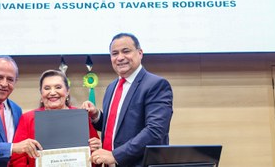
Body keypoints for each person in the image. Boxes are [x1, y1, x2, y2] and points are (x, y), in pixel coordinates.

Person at [82, 33, 174, 166]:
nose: (120, 57)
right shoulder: (111, 87)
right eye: (114, 53)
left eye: (126, 51)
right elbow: (117, 127)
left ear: (140, 53)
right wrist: (97, 115)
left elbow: (155, 131)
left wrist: (115, 155)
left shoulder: (156, 85)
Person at [9, 69, 102, 167]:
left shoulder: (81, 117)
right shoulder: (28, 118)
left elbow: (96, 158)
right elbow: (17, 158)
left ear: (67, 91)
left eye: (58, 87)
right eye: (47, 88)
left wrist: (96, 150)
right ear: (41, 93)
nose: (52, 92)